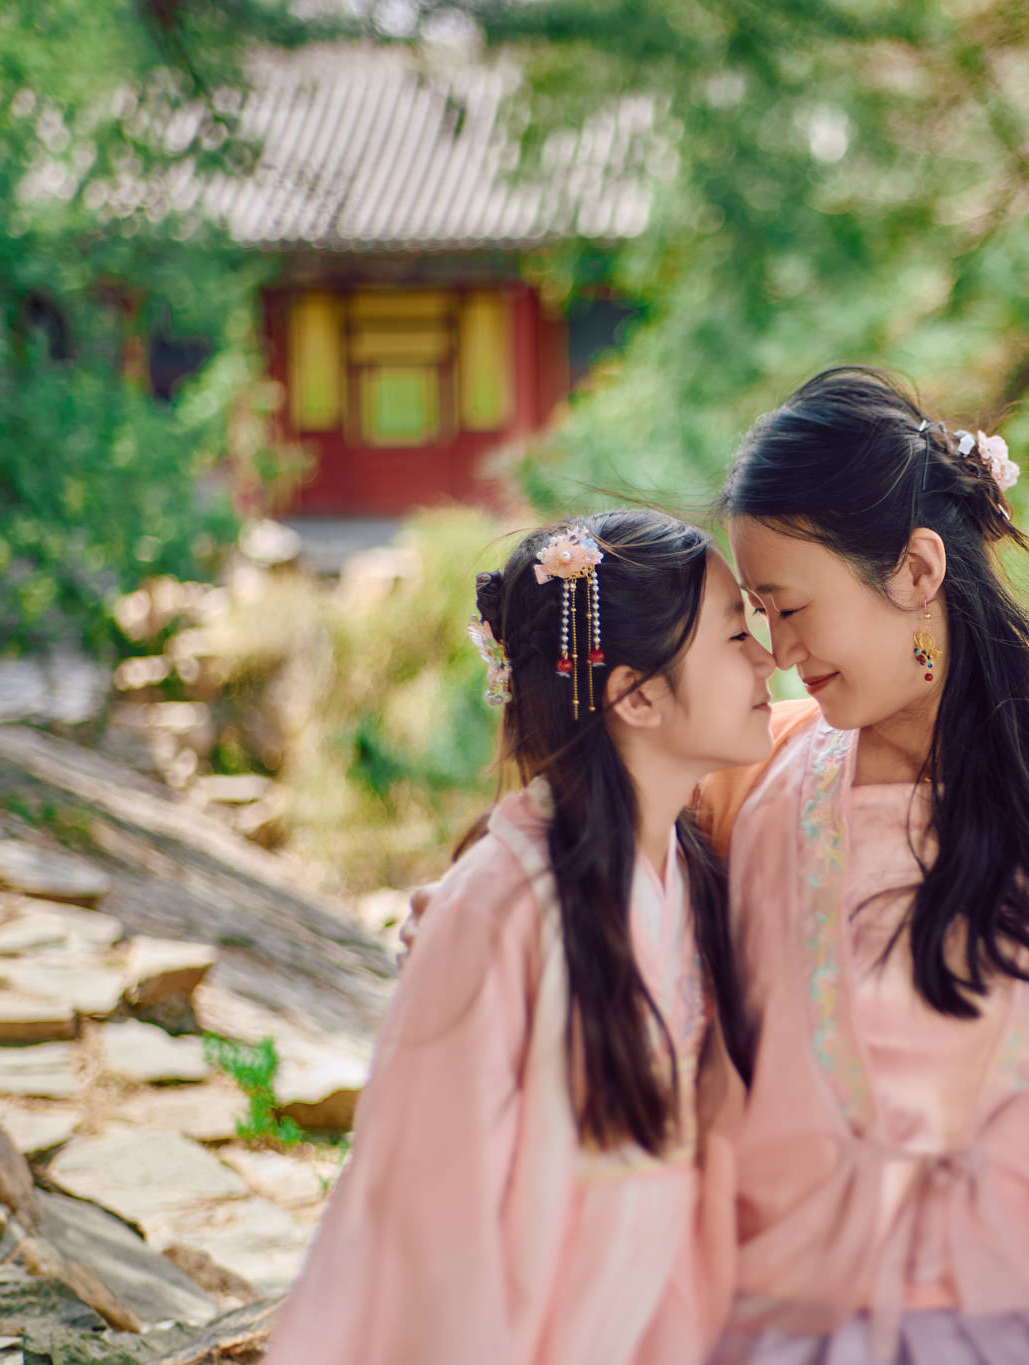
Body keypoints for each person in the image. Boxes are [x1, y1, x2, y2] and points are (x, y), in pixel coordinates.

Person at [691, 367, 1029, 1364]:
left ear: (918, 570)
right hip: (785, 1323)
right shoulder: (749, 788)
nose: (780, 651)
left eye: (790, 607)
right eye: (758, 615)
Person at [263, 510, 775, 1365]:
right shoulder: (497, 907)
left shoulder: (685, 872)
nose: (769, 658)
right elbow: (431, 1227)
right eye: (735, 636)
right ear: (637, 694)